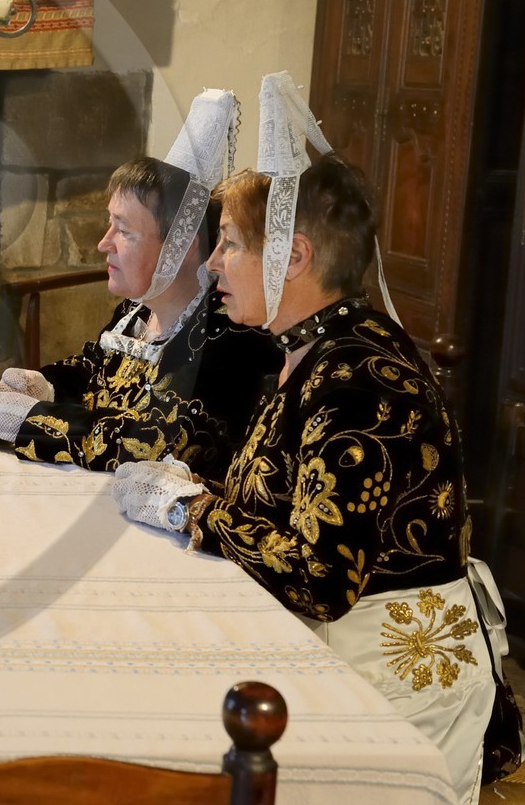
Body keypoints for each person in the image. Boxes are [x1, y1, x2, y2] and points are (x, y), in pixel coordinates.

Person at [112, 73, 490, 804]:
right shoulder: (307, 349)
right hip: (330, 653)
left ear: (295, 256)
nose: (212, 264)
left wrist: (185, 510)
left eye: (227, 245)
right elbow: (281, 501)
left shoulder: (358, 382)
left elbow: (318, 578)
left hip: (387, 687)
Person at [0, 90, 276, 475]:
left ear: (180, 247)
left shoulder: (227, 338)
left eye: (123, 230)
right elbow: (93, 369)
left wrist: (38, 420)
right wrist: (47, 384)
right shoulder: (136, 313)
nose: (104, 243)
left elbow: (156, 444)